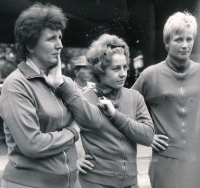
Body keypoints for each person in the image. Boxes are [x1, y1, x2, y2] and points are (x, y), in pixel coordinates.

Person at [0, 3, 103, 188]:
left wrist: (63, 87)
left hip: (70, 183)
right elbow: (33, 145)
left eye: (60, 37)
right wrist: (73, 131)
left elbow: (94, 121)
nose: (60, 45)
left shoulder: (65, 82)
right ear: (31, 45)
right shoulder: (16, 85)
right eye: (51, 39)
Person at [74, 34, 154, 188]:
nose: (123, 73)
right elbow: (68, 132)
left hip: (131, 183)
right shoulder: (83, 100)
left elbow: (148, 136)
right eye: (116, 68)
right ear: (100, 70)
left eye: (125, 67)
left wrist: (115, 115)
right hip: (95, 182)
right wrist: (76, 157)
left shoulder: (135, 97)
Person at [132, 12, 200, 188]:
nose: (185, 45)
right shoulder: (150, 75)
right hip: (165, 162)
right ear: (167, 43)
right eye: (178, 40)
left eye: (189, 39)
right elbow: (126, 108)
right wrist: (147, 136)